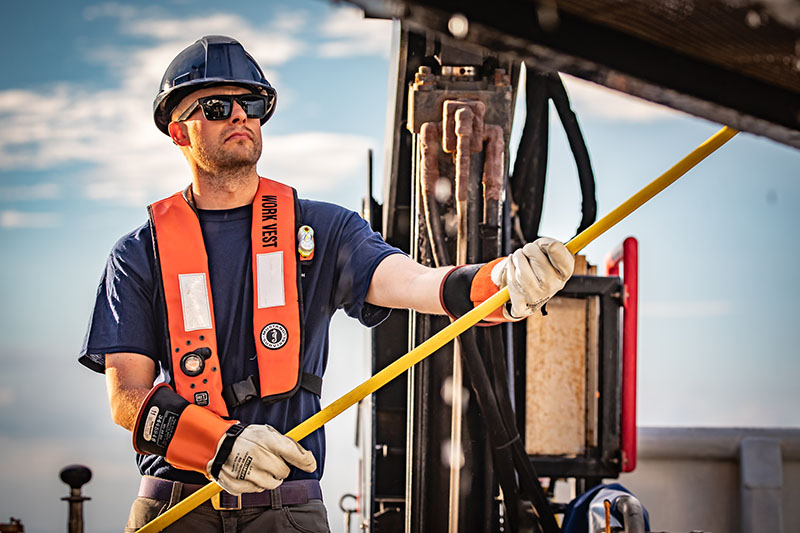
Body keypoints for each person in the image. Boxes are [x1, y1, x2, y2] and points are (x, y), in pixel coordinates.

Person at [79, 35, 575, 532]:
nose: (239, 116)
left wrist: (499, 282)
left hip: (288, 510)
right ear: (178, 133)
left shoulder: (320, 229)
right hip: (175, 507)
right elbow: (127, 398)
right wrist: (219, 447)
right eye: (216, 106)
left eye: (251, 103)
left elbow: (413, 281)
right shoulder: (138, 253)